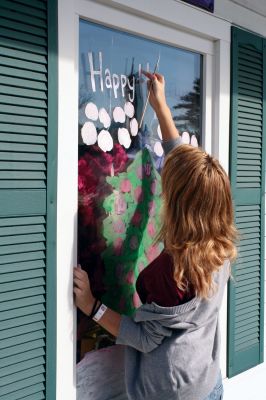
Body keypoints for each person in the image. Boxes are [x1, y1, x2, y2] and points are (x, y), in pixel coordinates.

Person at [74, 72, 237, 400]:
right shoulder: (220, 246)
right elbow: (183, 167)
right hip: (206, 381)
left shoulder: (169, 274)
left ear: (177, 205)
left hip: (169, 392)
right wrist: (161, 107)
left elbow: (144, 337)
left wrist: (92, 306)